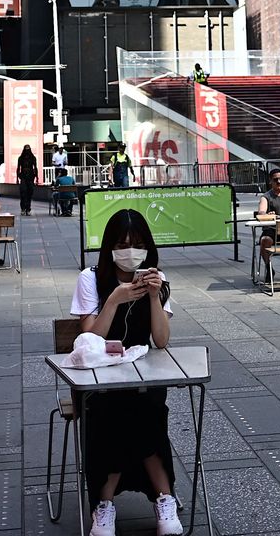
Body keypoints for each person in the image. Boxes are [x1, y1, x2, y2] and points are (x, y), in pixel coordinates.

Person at [71, 209, 181, 536]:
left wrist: (154, 297)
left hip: (144, 375)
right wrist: (115, 300)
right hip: (98, 378)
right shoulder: (90, 278)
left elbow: (160, 341)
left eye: (137, 244)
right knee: (121, 411)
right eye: (122, 244)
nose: (130, 252)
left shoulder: (157, 281)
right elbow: (90, 337)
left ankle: (148, 500)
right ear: (109, 247)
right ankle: (145, 498)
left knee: (145, 406)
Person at [19, 145, 40, 216]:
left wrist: (37, 177)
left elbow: (35, 167)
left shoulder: (33, 158)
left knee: (30, 192)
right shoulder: (21, 158)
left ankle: (28, 208)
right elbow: (18, 168)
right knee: (23, 192)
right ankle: (23, 208)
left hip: (31, 176)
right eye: (26, 149)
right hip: (23, 176)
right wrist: (17, 178)